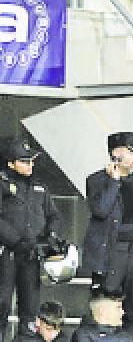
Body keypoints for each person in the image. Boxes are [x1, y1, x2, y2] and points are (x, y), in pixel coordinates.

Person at [82, 132, 133, 338]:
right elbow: (100, 210)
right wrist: (114, 181)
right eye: (132, 152)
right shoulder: (96, 180)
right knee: (106, 307)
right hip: (112, 254)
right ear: (116, 153)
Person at [0, 137, 64, 340]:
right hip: (7, 253)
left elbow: (54, 216)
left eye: (31, 161)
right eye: (24, 161)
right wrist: (15, 241)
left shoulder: (39, 187)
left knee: (30, 308)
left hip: (32, 255)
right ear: (11, 162)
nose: (30, 165)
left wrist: (51, 237)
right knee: (1, 303)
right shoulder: (2, 184)